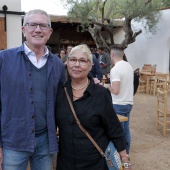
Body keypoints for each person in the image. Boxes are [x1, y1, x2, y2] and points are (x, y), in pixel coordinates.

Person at [0, 9, 65, 170]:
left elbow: (65, 99)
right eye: (32, 24)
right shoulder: (4, 59)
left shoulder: (57, 64)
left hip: (45, 142)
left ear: (49, 32)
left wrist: (93, 85)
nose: (37, 29)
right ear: (24, 30)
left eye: (43, 26)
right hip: (13, 142)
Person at [55, 44, 132, 170]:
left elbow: (114, 128)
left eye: (82, 61)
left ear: (91, 65)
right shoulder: (60, 92)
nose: (77, 64)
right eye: (73, 60)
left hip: (95, 162)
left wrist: (125, 160)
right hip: (66, 162)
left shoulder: (101, 94)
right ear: (67, 63)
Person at [108, 45, 134, 154]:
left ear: (112, 55)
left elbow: (115, 90)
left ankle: (122, 156)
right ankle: (126, 153)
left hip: (119, 103)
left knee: (119, 132)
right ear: (122, 54)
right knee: (126, 130)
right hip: (128, 102)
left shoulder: (115, 69)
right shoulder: (129, 66)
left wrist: (104, 86)